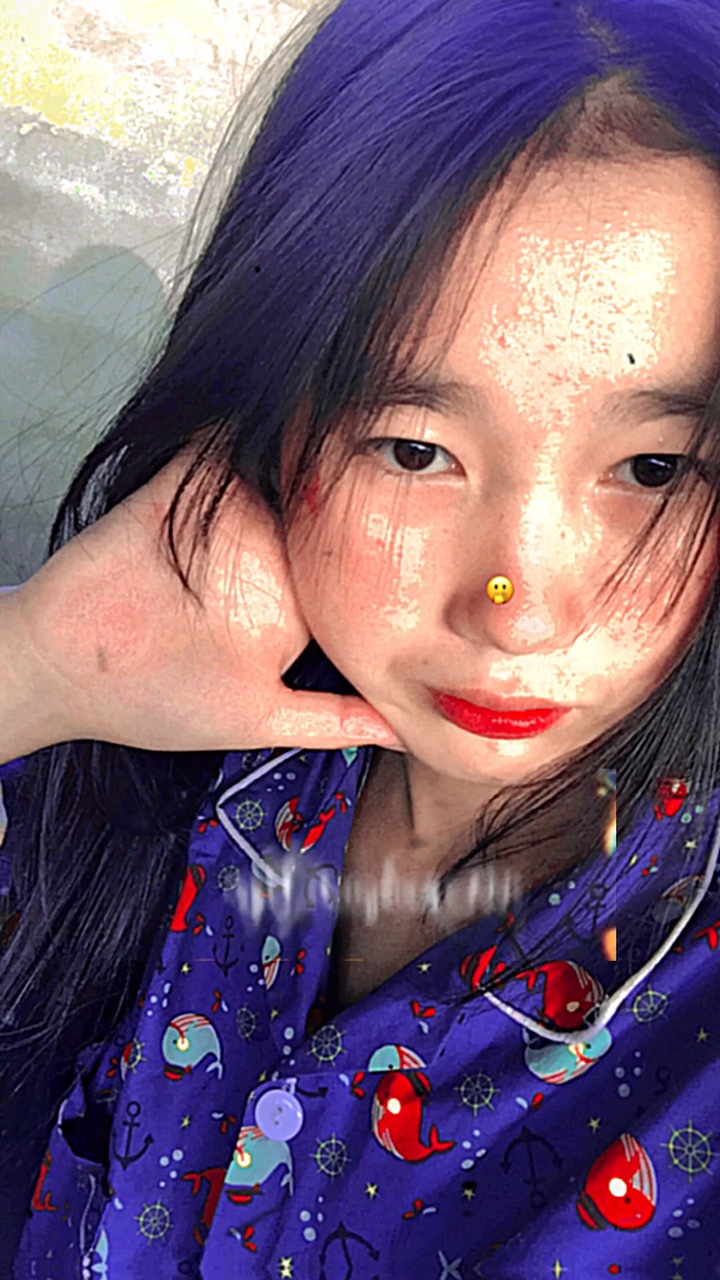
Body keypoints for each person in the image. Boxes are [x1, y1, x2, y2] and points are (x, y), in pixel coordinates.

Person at [2, 0, 720, 1273]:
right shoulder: (155, 734)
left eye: (653, 467)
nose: (520, 607)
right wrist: (40, 669)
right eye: (414, 448)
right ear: (267, 413)